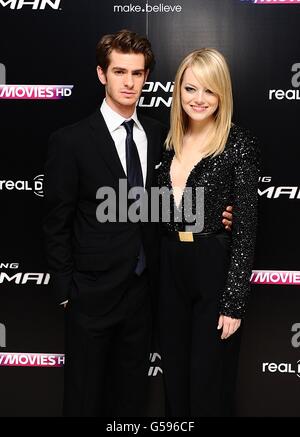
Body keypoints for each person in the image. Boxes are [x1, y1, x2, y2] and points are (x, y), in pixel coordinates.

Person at [43, 29, 233, 417]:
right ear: (102, 74)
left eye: (137, 73)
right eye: (119, 72)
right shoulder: (70, 141)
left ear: (146, 77)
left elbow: (175, 199)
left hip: (144, 295)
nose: (129, 82)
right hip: (90, 296)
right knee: (83, 399)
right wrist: (67, 291)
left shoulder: (162, 136)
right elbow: (56, 222)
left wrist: (218, 214)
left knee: (132, 401)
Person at [157, 48, 260, 417]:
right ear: (178, 91)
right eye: (190, 89)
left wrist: (234, 301)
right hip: (170, 264)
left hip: (213, 264)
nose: (198, 100)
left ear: (222, 95)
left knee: (208, 380)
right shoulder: (164, 141)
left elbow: (246, 227)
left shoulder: (238, 144)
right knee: (175, 379)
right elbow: (152, 208)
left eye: (209, 91)